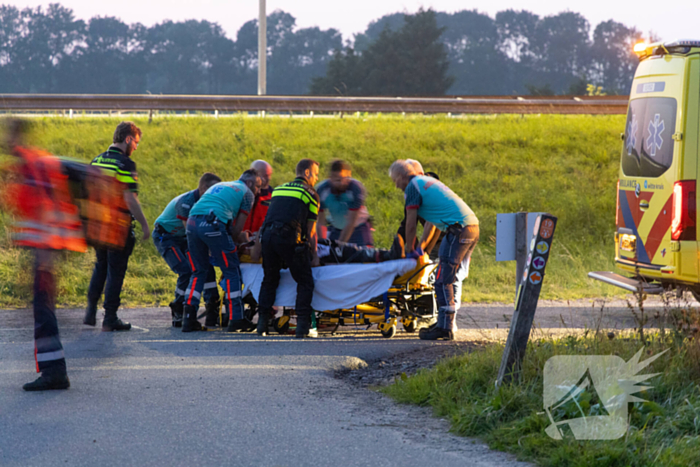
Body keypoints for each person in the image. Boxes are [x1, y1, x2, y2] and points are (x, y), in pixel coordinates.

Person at [4, 119, 86, 391]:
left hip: (46, 246)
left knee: (44, 312)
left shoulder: (31, 165)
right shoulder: (37, 161)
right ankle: (54, 371)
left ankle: (54, 373)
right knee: (43, 310)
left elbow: (42, 206)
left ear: (16, 135)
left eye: (8, 132)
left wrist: (44, 256)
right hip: (49, 245)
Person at [389, 160, 479, 341]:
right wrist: (422, 249)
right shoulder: (427, 183)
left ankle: (445, 328)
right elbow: (433, 221)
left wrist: (409, 250)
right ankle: (444, 323)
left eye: (395, 180)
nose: (395, 185)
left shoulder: (412, 187)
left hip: (458, 230)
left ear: (401, 176)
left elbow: (411, 223)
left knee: (443, 279)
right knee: (450, 278)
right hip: (470, 226)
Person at [85, 121, 150, 332]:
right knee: (116, 270)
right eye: (136, 143)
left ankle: (91, 310)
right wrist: (144, 223)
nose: (136, 148)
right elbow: (130, 198)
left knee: (100, 266)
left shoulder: (97, 160)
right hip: (117, 226)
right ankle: (110, 318)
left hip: (96, 224)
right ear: (128, 139)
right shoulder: (125, 164)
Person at [183, 170, 261, 332]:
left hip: (192, 222)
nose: (259, 191)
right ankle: (236, 318)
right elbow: (237, 229)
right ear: (250, 183)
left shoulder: (222, 185)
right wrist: (239, 243)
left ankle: (188, 317)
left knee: (199, 271)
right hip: (213, 222)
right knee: (231, 270)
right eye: (258, 187)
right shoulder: (248, 194)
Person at [257, 159, 321, 338]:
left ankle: (262, 323)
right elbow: (311, 230)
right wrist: (314, 255)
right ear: (307, 173)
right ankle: (302, 326)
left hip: (268, 237)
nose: (316, 178)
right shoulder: (311, 194)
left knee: (270, 278)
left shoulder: (278, 189)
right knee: (305, 280)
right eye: (315, 174)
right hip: (290, 238)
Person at [153, 173, 222, 328]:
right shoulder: (186, 202)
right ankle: (179, 308)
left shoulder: (209, 201)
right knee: (186, 270)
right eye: (213, 191)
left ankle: (212, 307)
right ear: (203, 188)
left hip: (186, 237)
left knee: (206, 267)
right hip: (168, 237)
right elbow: (190, 233)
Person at [316, 160, 373, 246]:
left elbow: (351, 221)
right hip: (336, 227)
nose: (343, 183)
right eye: (338, 180)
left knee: (364, 256)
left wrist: (339, 245)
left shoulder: (356, 189)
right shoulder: (321, 190)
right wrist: (322, 243)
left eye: (346, 178)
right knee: (330, 256)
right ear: (330, 178)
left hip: (358, 227)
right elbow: (320, 222)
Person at [242, 160, 273, 237]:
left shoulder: (273, 196)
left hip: (260, 240)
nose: (268, 178)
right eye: (265, 175)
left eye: (268, 175)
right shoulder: (240, 191)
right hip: (239, 237)